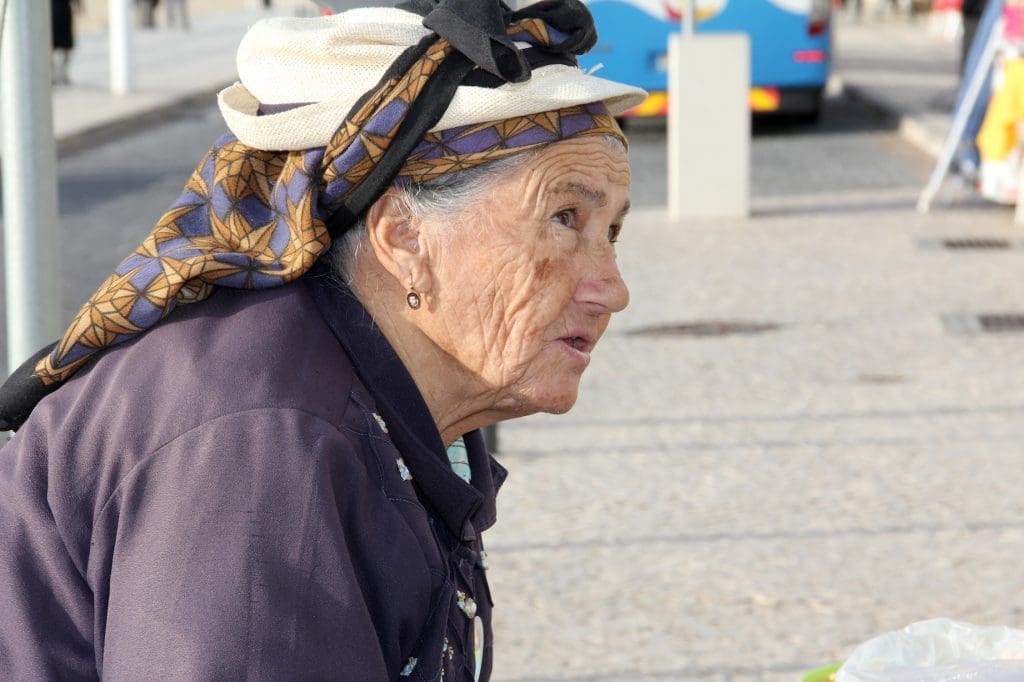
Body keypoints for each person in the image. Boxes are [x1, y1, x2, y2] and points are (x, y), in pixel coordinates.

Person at [0, 0, 643, 679]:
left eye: (612, 232)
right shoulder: (262, 445)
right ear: (404, 239)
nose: (612, 289)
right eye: (565, 218)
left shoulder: (386, 401)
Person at [51, 0, 80, 85]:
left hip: (62, 13)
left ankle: (61, 74)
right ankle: (57, 74)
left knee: (64, 46)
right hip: (54, 13)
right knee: (54, 46)